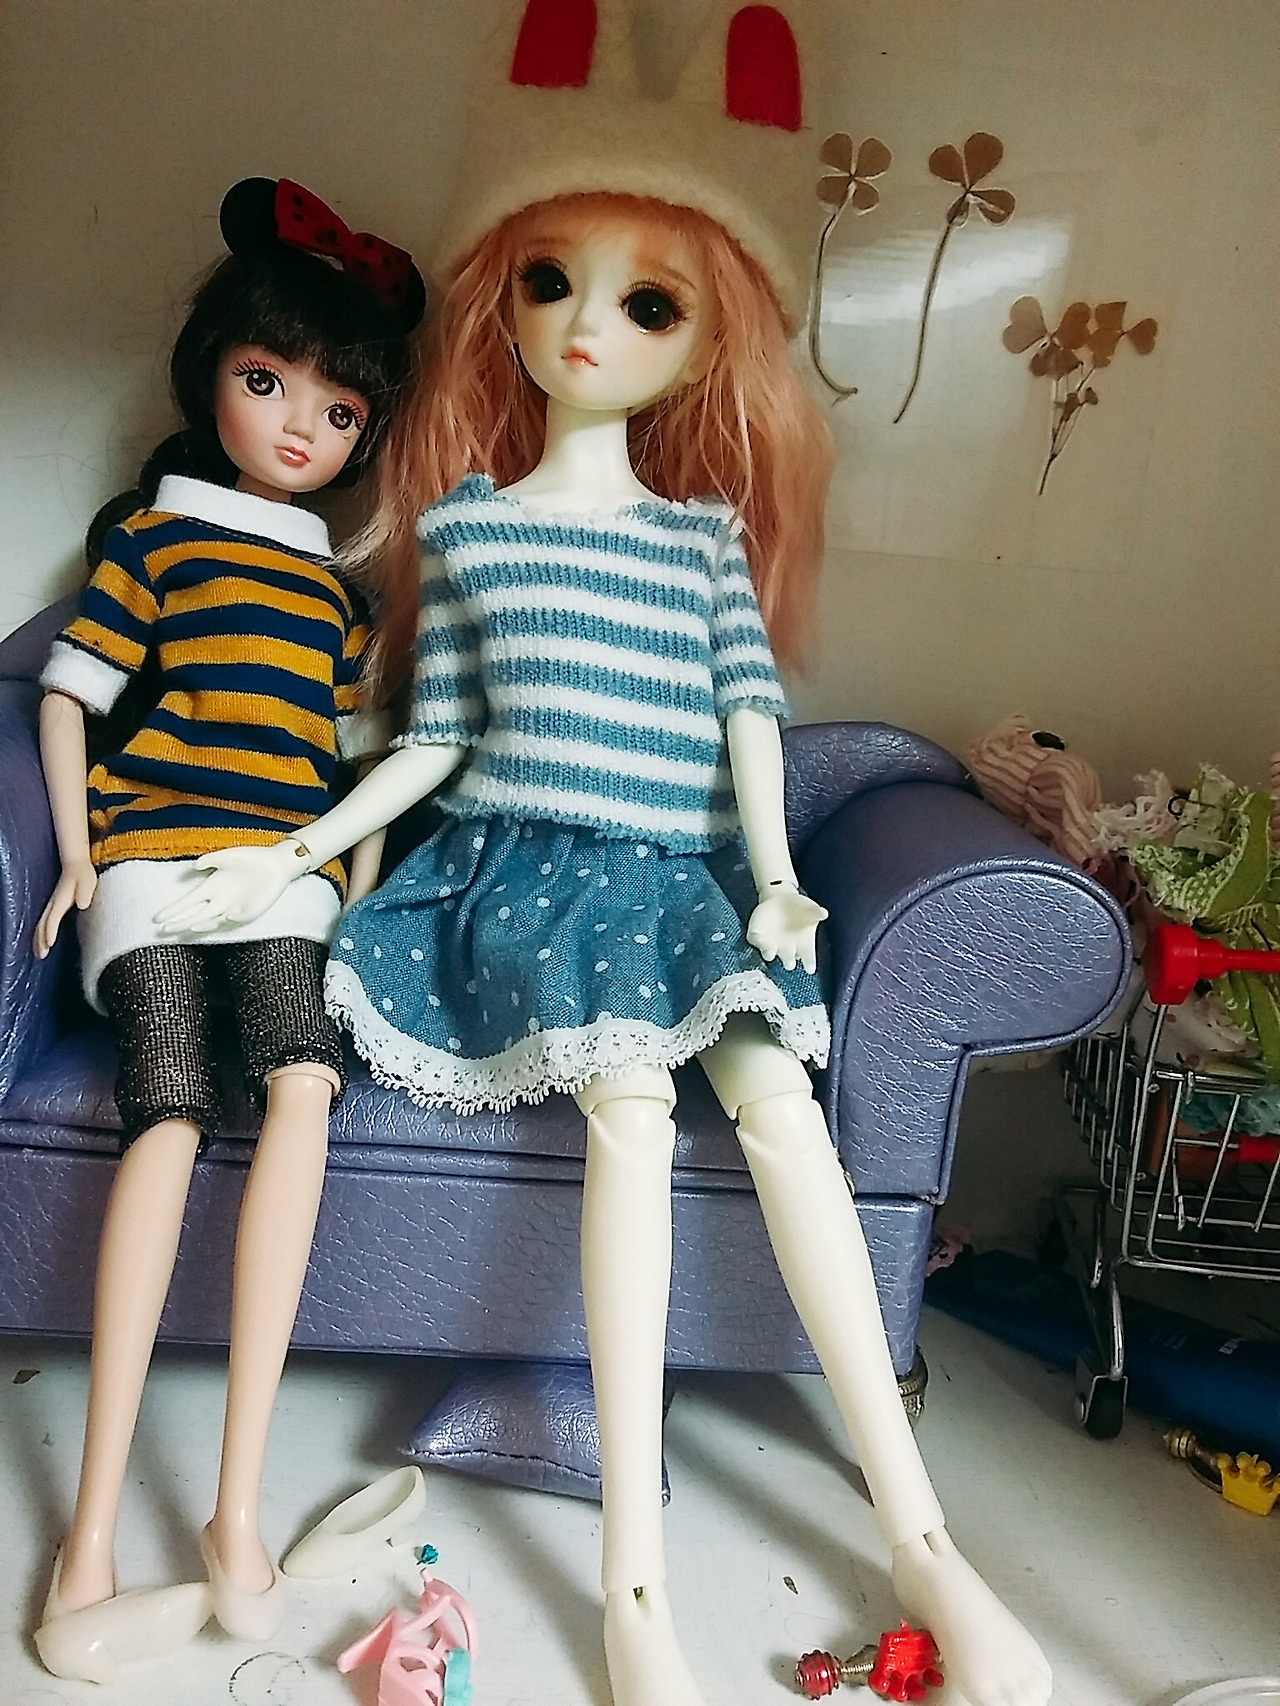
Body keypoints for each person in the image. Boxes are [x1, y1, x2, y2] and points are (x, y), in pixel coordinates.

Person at [156, 7, 1054, 1704]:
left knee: (782, 1107)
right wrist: (295, 847)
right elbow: (432, 740)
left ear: (711, 344)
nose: (587, 326)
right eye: (553, 279)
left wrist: (775, 872)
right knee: (632, 1110)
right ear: (500, 295)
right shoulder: (471, 529)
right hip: (523, 877)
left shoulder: (703, 540)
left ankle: (923, 1531)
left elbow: (749, 721)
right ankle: (634, 1582)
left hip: (676, 882)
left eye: (652, 303)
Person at [31, 176, 423, 1684]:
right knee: (172, 1112)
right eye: (270, 384)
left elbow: (359, 766)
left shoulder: (338, 597)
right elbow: (70, 694)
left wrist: (354, 889)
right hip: (149, 861)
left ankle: (236, 1506)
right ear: (213, 378)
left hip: (284, 875)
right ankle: (86, 1533)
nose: (300, 426)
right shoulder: (156, 541)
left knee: (304, 1083)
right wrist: (78, 858)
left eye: (337, 409)